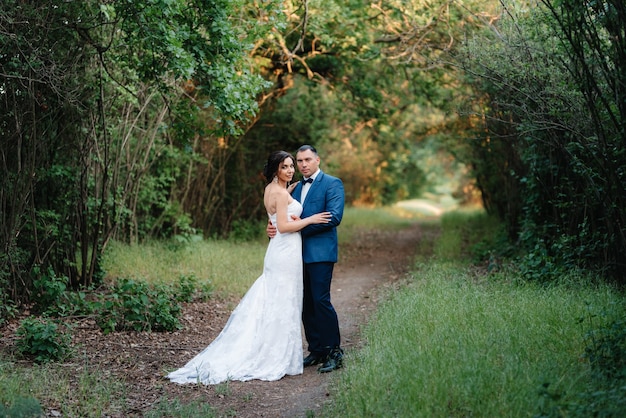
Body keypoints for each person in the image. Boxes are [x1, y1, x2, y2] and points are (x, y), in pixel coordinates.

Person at [167, 150, 331, 385]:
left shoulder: (273, 190)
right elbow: (283, 226)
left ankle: (275, 350)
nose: (291, 170)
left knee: (278, 300)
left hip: (280, 250)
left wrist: (288, 196)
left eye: (292, 166)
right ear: (276, 169)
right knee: (282, 301)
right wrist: (311, 219)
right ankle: (273, 356)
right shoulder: (281, 194)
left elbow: (276, 216)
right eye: (285, 167)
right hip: (285, 252)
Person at [267, 145, 345, 373]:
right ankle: (317, 349)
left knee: (320, 300)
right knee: (304, 302)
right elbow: (279, 216)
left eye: (307, 160)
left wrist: (296, 229)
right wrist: (273, 229)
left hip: (320, 253)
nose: (303, 165)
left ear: (317, 160)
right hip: (293, 254)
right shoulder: (293, 187)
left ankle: (334, 351)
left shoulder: (332, 183)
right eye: (299, 161)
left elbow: (334, 217)